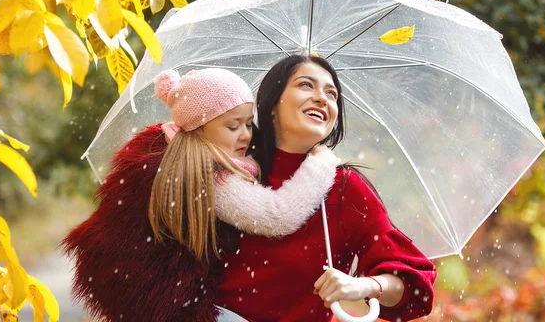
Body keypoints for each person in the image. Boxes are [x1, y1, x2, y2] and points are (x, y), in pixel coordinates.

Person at [62, 68, 340, 322]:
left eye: (247, 123)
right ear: (199, 127)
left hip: (139, 291)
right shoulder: (205, 173)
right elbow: (278, 215)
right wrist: (320, 165)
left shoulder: (167, 149)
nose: (245, 136)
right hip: (173, 306)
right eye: (232, 126)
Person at [216, 55, 438, 321]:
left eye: (331, 93)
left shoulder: (344, 190)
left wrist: (363, 285)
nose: (322, 98)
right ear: (272, 103)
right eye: (306, 85)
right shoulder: (227, 170)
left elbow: (416, 287)